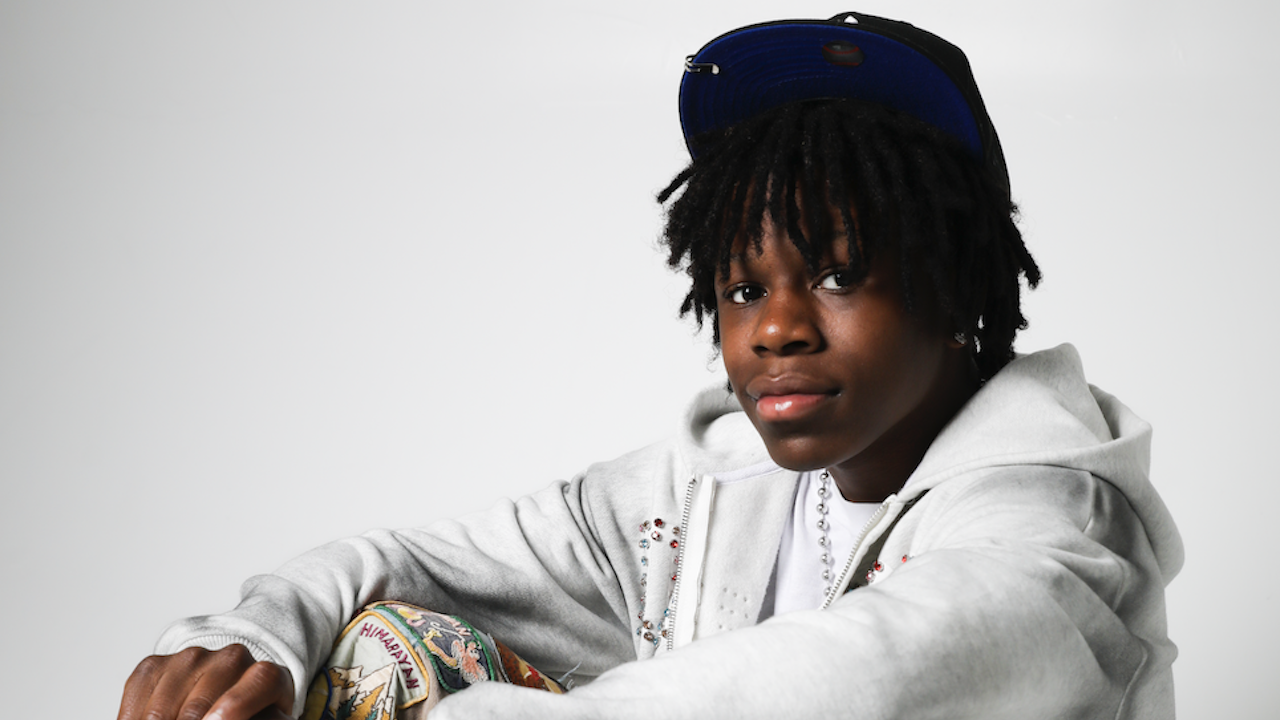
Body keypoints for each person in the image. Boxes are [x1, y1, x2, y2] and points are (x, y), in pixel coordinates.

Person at [116, 12, 1183, 720]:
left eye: (839, 275)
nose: (774, 329)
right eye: (738, 288)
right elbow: (411, 561)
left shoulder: (1048, 525)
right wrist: (252, 641)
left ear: (955, 288)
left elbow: (875, 671)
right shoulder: (712, 486)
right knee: (371, 648)